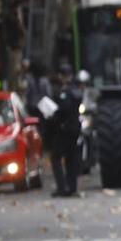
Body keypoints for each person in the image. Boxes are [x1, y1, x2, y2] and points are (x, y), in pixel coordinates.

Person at [46, 65, 84, 197]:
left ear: (62, 76)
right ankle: (72, 187)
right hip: (75, 128)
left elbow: (64, 110)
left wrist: (53, 116)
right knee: (71, 158)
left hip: (64, 129)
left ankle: (62, 187)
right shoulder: (76, 90)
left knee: (56, 157)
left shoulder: (65, 93)